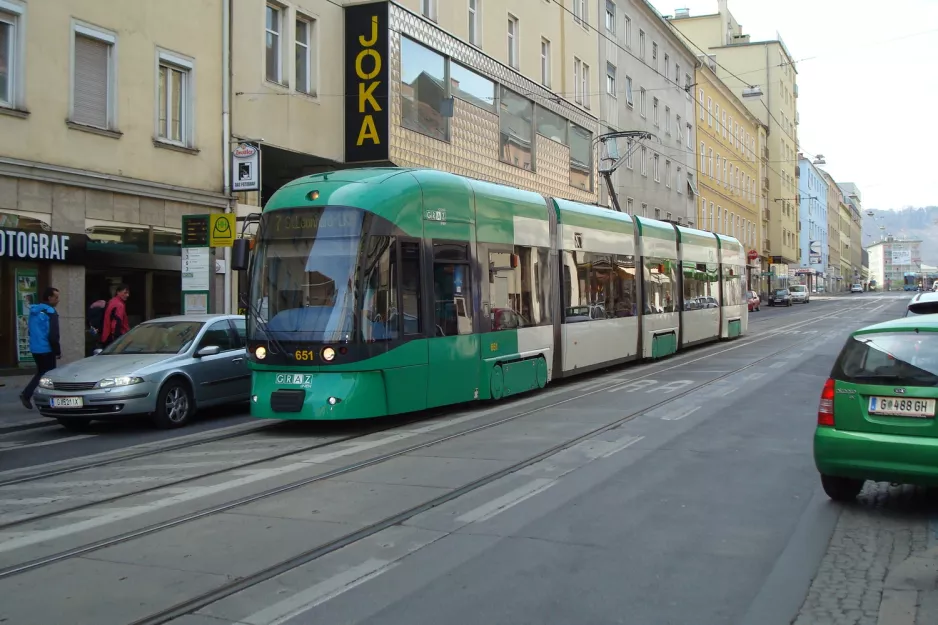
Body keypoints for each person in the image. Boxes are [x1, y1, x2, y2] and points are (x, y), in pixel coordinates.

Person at [20, 287, 61, 410]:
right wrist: (57, 351)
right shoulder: (50, 312)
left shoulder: (34, 310)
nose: (58, 300)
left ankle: (29, 395)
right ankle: (50, 400)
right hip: (46, 348)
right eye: (56, 297)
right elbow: (53, 335)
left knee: (41, 373)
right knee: (49, 375)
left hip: (35, 347)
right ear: (49, 298)